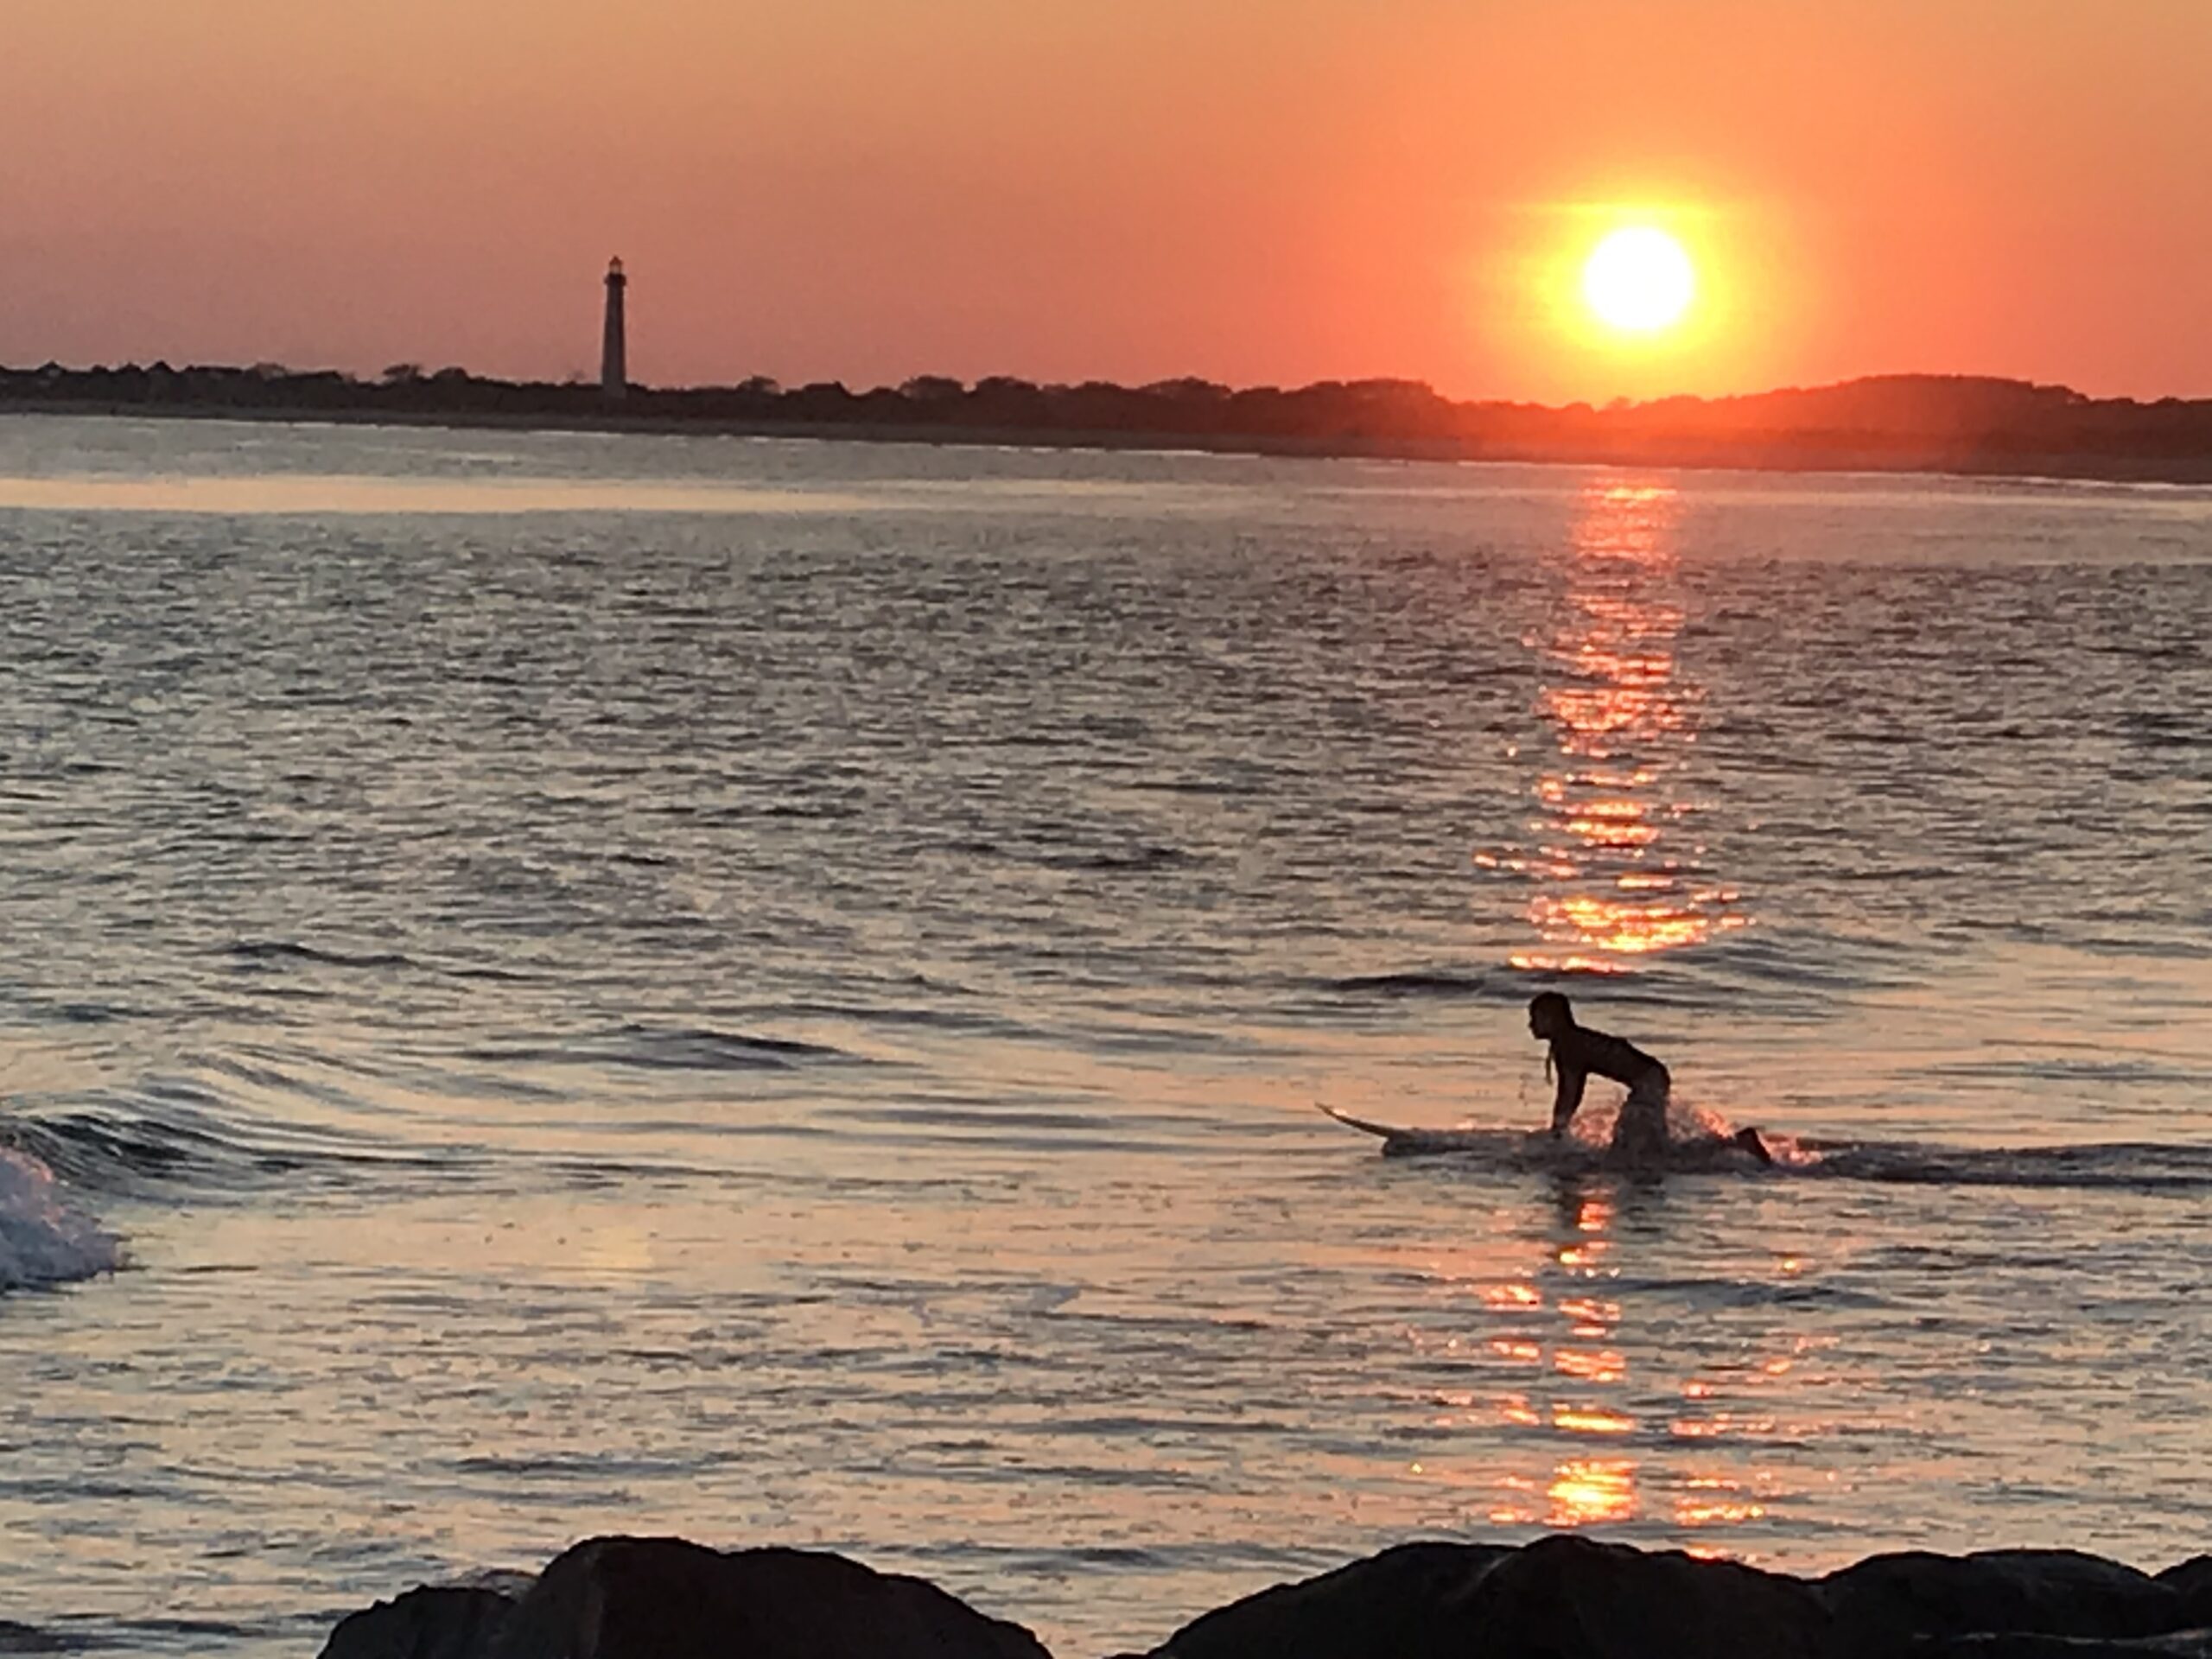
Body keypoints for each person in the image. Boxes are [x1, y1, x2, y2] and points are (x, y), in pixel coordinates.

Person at [1527, 991, 1772, 1165]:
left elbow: (1570, 1091)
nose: (1530, 1025)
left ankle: (1738, 1142)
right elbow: (1572, 1087)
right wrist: (1560, 1127)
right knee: (1644, 1151)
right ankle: (1734, 1143)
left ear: (1552, 1018)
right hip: (1651, 1076)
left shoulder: (1568, 1045)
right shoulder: (1572, 1041)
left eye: (1535, 1017)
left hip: (1648, 1081)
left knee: (1639, 1155)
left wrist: (1558, 1130)